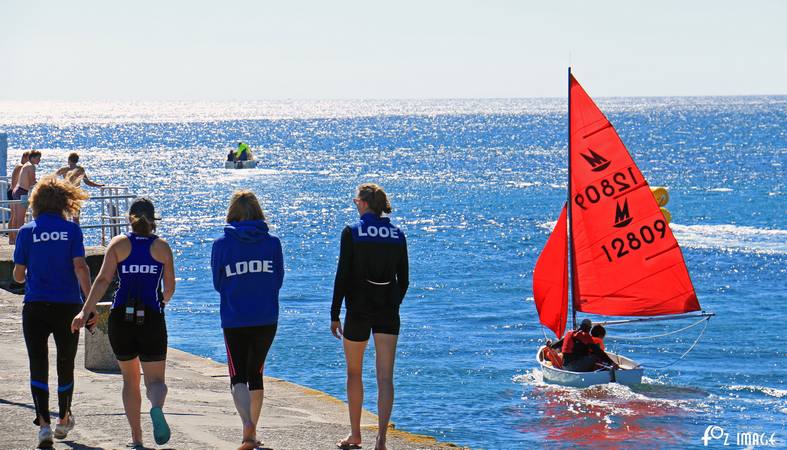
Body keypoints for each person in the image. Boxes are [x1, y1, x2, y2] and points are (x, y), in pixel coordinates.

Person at [71, 197, 175, 448]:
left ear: (130, 219)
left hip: (121, 318)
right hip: (151, 317)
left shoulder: (118, 244)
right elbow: (169, 288)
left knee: (130, 380)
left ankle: (136, 437)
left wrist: (86, 311)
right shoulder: (162, 247)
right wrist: (160, 303)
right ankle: (157, 408)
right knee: (156, 382)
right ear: (153, 221)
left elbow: (104, 279)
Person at [13, 175, 92, 448]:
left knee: (38, 363)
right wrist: (88, 302)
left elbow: (19, 275)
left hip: (35, 306)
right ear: (63, 202)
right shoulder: (72, 231)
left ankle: (44, 425)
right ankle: (64, 419)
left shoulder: (26, 232)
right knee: (65, 363)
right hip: (67, 306)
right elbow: (80, 267)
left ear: (36, 202)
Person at [331, 183, 409, 450]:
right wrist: (391, 302)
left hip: (358, 309)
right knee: (385, 377)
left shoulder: (352, 232)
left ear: (364, 204)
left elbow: (342, 276)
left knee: (354, 373)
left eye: (356, 201)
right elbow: (404, 280)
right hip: (388, 308)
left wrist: (334, 313)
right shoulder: (398, 234)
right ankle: (382, 439)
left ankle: (355, 435)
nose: (355, 205)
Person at [211, 190, 283, 450]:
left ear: (232, 212)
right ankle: (253, 429)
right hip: (266, 316)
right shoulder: (272, 243)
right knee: (256, 373)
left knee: (237, 375)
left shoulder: (221, 244)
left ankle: (246, 427)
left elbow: (218, 283)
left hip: (234, 316)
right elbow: (278, 280)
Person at [10, 150, 41, 244]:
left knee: (16, 217)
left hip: (17, 191)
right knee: (20, 218)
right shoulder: (31, 167)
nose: (40, 160)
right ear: (33, 158)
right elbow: (32, 182)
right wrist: (44, 184)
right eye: (38, 158)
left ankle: (15, 239)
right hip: (22, 193)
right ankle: (21, 241)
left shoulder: (26, 164)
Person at [8, 151, 30, 243]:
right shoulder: (21, 167)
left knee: (13, 216)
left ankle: (11, 238)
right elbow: (16, 183)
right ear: (25, 157)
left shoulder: (18, 165)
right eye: (29, 158)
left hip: (11, 191)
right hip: (14, 192)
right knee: (16, 217)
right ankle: (14, 238)